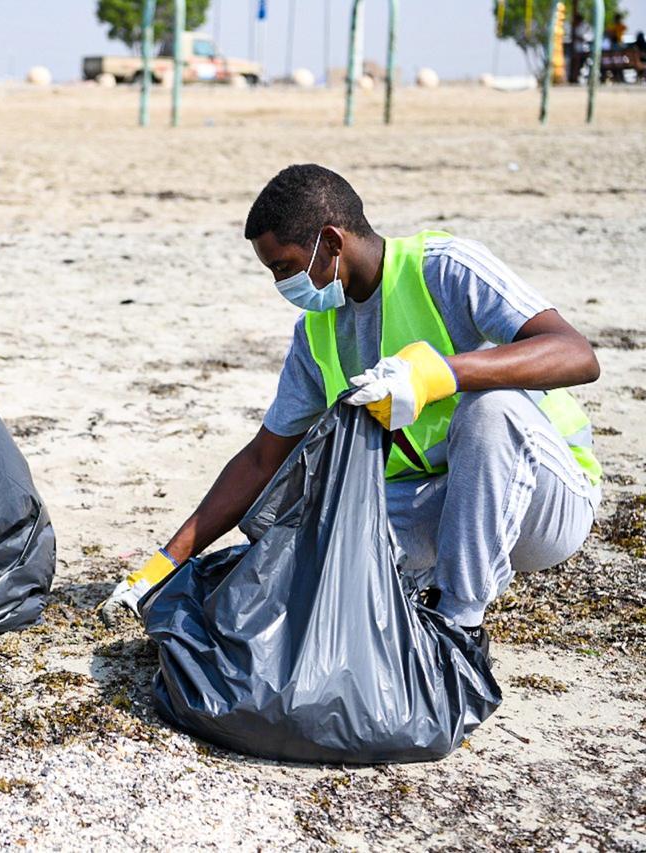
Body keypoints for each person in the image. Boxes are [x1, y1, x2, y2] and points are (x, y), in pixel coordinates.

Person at [103, 165, 602, 652]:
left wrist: (436, 375)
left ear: (332, 242)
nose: (281, 284)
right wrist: (164, 564)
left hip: (546, 499)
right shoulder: (316, 332)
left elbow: (577, 354)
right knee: (290, 543)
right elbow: (263, 458)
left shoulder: (445, 267)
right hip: (435, 504)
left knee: (489, 410)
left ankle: (459, 625)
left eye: (284, 267)